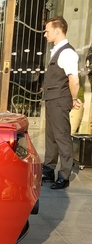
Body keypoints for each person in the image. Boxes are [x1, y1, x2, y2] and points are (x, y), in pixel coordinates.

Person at [41, 16, 81, 190]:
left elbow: (74, 79)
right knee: (51, 138)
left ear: (58, 30)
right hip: (52, 99)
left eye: (47, 30)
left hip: (60, 100)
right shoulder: (57, 50)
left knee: (62, 137)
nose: (45, 34)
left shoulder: (67, 53)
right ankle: (48, 170)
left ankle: (64, 175)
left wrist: (73, 99)